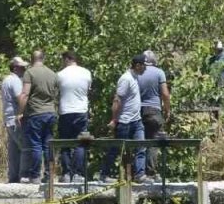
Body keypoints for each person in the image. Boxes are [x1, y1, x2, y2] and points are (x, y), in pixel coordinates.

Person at [101, 54, 148, 183]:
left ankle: (140, 174)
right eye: (144, 66)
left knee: (141, 147)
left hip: (136, 121)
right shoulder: (126, 79)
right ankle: (104, 174)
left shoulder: (135, 77)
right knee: (116, 148)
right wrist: (114, 119)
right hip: (124, 122)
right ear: (137, 66)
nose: (145, 69)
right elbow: (117, 100)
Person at [18, 50, 60, 184]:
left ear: (32, 59)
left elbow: (25, 94)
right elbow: (56, 95)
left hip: (36, 113)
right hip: (51, 113)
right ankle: (49, 175)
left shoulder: (29, 73)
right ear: (43, 58)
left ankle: (35, 175)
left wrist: (20, 112)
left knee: (36, 145)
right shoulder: (53, 74)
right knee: (48, 145)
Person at [57, 51, 93, 183]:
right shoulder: (86, 73)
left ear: (67, 59)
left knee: (65, 143)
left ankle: (66, 173)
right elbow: (88, 90)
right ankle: (78, 173)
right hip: (81, 111)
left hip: (65, 111)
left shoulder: (60, 74)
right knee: (80, 143)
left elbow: (57, 91)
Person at [138, 50, 171, 178]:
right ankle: (150, 172)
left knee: (139, 141)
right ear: (154, 61)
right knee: (153, 141)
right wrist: (167, 110)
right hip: (153, 110)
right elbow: (165, 94)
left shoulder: (136, 72)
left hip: (137, 110)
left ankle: (138, 172)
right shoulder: (159, 72)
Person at [1, 56, 27, 183]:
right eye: (22, 68)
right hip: (16, 119)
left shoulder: (6, 80)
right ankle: (24, 176)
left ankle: (13, 177)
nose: (24, 70)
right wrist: (23, 112)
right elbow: (20, 98)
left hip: (8, 118)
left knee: (14, 150)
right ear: (15, 68)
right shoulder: (15, 81)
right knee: (24, 147)